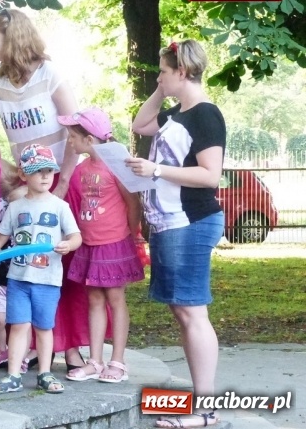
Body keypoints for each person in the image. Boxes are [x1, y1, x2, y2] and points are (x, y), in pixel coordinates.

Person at [0, 8, 88, 371]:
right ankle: (28, 347)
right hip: (27, 189)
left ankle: (70, 347)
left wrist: (65, 182)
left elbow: (75, 131)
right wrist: (6, 169)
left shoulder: (50, 75)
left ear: (11, 37)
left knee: (63, 267)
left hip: (60, 183)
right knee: (31, 268)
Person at [126, 39, 225, 428]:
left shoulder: (206, 114)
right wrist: (161, 89)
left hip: (191, 222)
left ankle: (206, 409)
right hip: (170, 224)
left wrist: (157, 170)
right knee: (183, 312)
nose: (159, 79)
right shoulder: (176, 114)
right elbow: (140, 125)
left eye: (164, 73)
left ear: (182, 72)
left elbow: (210, 175)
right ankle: (202, 403)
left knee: (192, 311)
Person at [0, 144, 82, 395]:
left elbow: (76, 236)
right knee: (18, 326)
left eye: (49, 170)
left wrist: (68, 245)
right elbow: (0, 237)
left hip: (48, 280)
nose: (45, 176)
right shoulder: (16, 207)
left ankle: (44, 374)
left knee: (44, 328)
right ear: (23, 174)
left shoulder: (60, 206)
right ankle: (13, 375)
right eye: (38, 171)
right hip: (18, 279)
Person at [59, 108, 145, 383]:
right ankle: (95, 361)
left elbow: (133, 203)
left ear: (90, 139)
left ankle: (117, 362)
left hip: (113, 243)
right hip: (89, 244)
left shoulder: (117, 167)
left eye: (73, 137)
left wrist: (131, 235)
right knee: (94, 299)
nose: (70, 142)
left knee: (115, 300)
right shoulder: (81, 170)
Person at [0, 159, 23, 370]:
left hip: (18, 274)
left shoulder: (14, 204)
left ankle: (16, 354)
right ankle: (1, 349)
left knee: (20, 319)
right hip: (0, 272)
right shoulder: (1, 205)